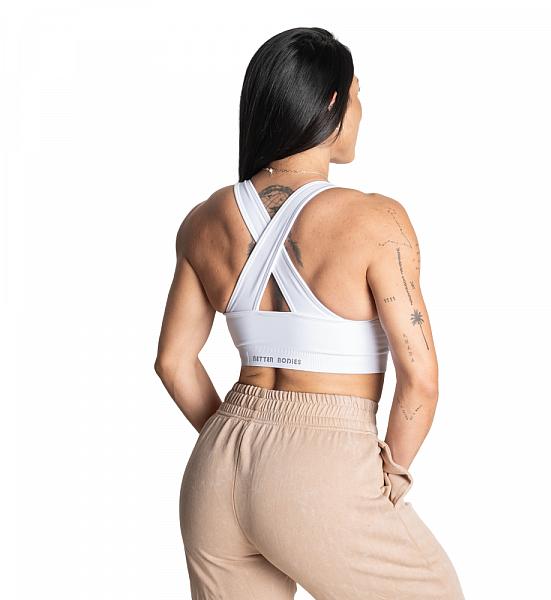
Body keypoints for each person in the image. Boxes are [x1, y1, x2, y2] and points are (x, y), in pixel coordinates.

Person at [154, 26, 465, 600]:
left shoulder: (203, 220)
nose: (361, 111)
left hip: (214, 471)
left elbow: (174, 362)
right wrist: (389, 475)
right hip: (322, 461)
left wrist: (239, 446)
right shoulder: (375, 220)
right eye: (358, 95)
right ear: (332, 102)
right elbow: (420, 379)